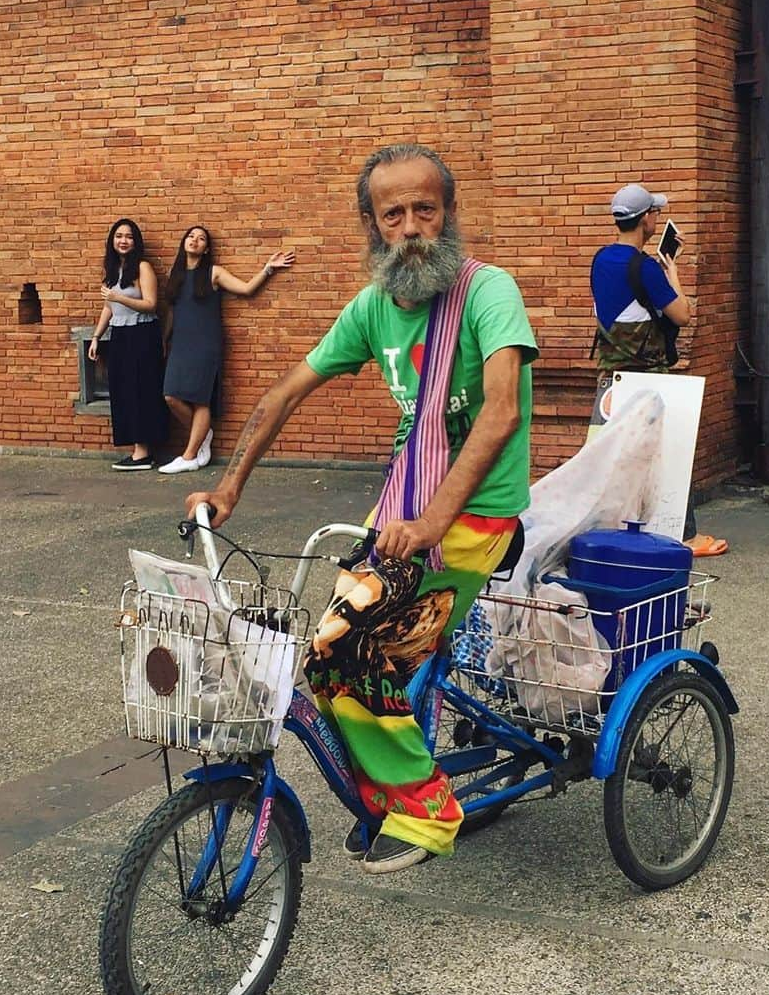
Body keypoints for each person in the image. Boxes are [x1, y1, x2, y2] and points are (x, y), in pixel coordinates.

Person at [187, 144, 538, 873]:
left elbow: (501, 412)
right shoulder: (372, 308)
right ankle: (387, 776)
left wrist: (439, 519)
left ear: (447, 215)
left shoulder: (488, 291)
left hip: (474, 517)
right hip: (403, 507)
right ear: (373, 227)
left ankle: (425, 805)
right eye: (393, 214)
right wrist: (228, 486)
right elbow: (285, 392)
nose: (411, 227)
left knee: (348, 645)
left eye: (425, 210)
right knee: (327, 654)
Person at [588, 182, 728, 556]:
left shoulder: (600, 259)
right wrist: (673, 271)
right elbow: (682, 315)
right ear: (645, 220)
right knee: (669, 453)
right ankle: (684, 535)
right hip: (648, 377)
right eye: (655, 213)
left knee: (612, 455)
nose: (658, 219)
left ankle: (604, 530)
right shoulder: (646, 268)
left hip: (611, 377)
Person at [158, 226, 295, 475]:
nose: (195, 241)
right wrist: (164, 340)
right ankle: (202, 435)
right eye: (191, 236)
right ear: (184, 242)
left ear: (206, 248)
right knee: (171, 396)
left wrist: (268, 268)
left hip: (205, 343)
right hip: (180, 343)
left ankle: (190, 455)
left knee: (200, 400)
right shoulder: (175, 274)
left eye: (201, 239)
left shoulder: (213, 273)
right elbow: (172, 312)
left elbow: (246, 289)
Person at [89, 219, 168, 470]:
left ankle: (143, 454)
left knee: (140, 390)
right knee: (122, 390)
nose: (123, 241)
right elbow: (109, 308)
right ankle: (137, 450)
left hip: (142, 334)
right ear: (112, 240)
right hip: (120, 336)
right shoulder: (114, 270)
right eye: (119, 236)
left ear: (136, 242)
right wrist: (96, 336)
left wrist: (117, 296)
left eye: (129, 237)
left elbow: (151, 304)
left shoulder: (143, 267)